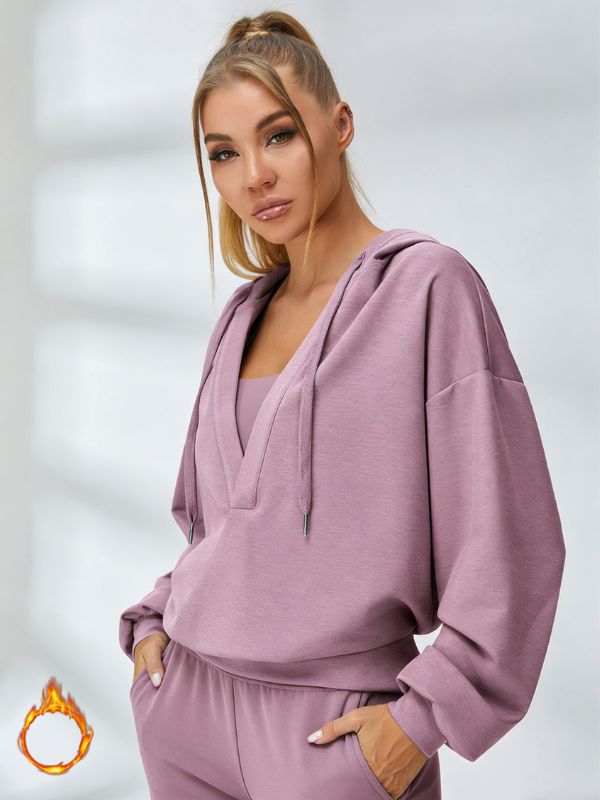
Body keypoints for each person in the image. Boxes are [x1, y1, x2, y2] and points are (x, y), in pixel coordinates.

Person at [118, 10, 566, 800]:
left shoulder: (427, 289)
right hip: (186, 713)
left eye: (279, 136)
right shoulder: (243, 316)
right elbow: (217, 527)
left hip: (334, 733)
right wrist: (155, 619)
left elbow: (512, 544)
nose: (254, 175)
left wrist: (419, 723)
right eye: (224, 153)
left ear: (340, 125)